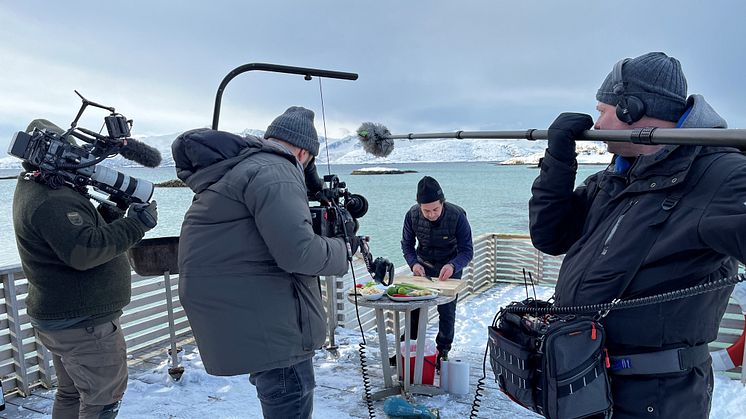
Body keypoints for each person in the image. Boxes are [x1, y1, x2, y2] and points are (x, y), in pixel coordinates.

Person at [529, 52, 746, 418]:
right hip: (586, 379)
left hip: (655, 398)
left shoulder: (721, 175)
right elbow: (550, 236)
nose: (596, 122)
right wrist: (559, 163)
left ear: (630, 109)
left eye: (603, 110)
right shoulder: (617, 176)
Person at [174, 106, 351, 419]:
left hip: (250, 312)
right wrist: (343, 249)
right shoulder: (276, 170)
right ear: (303, 151)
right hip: (273, 326)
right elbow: (299, 253)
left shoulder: (242, 167)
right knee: (291, 397)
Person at [12, 119, 158, 419]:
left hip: (63, 317)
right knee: (103, 401)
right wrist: (136, 224)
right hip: (84, 324)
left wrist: (111, 212)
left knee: (72, 392)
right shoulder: (52, 199)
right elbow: (84, 251)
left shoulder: (36, 185)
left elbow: (72, 234)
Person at [399, 176, 473, 368]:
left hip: (450, 265)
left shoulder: (457, 216)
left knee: (446, 310)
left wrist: (453, 266)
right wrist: (413, 263)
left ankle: (443, 351)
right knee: (414, 307)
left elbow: (467, 251)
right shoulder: (412, 215)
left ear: (443, 203)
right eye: (426, 211)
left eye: (435, 210)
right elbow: (407, 245)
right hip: (423, 266)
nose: (431, 214)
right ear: (419, 206)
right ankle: (407, 349)